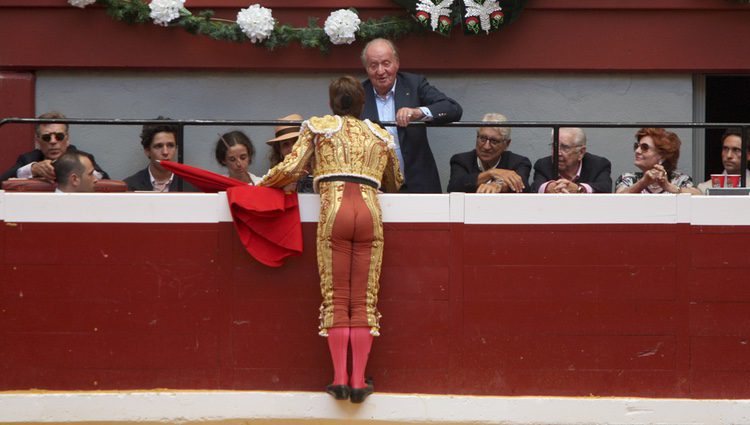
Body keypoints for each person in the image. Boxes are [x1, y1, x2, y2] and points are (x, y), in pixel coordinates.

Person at [260, 76, 403, 404]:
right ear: (363, 103)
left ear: (331, 103)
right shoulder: (380, 135)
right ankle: (358, 381)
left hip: (334, 208)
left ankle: (340, 378)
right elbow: (395, 181)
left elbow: (292, 167)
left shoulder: (317, 126)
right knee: (364, 300)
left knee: (337, 298)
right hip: (368, 210)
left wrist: (260, 185)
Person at [360, 38, 462, 193]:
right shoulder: (359, 94)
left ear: (397, 63)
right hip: (376, 188)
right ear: (366, 68)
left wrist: (419, 112)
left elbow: (453, 109)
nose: (380, 71)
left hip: (418, 185)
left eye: (386, 63)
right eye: (374, 65)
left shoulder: (414, 84)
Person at [1, 111, 109, 182]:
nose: (53, 141)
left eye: (59, 136)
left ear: (67, 139)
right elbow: (2, 182)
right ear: (38, 141)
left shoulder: (83, 158)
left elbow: (105, 180)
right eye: (47, 137)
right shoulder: (28, 159)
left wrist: (77, 167)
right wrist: (32, 169)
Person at [447, 113, 530, 193]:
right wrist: (491, 173)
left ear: (506, 144)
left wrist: (498, 185)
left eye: (494, 141)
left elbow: (522, 185)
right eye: (482, 138)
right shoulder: (461, 160)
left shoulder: (519, 162)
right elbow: (455, 186)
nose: (486, 147)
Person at [615, 128, 700, 194]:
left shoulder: (680, 180)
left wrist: (668, 186)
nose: (637, 151)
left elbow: (698, 196)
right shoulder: (628, 178)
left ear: (662, 156)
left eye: (644, 147)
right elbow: (615, 200)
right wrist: (642, 183)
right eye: (636, 146)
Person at [123, 117, 195, 192]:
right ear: (147, 151)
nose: (165, 152)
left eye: (170, 145)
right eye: (159, 146)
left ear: (176, 149)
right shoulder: (129, 186)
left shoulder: (192, 186)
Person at [531, 127, 612, 193]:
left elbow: (605, 188)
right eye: (554, 146)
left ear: (581, 152)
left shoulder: (598, 164)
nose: (558, 153)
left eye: (565, 148)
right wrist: (548, 187)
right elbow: (535, 187)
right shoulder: (543, 164)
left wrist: (579, 189)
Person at [266, 114, 313, 193]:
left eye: (296, 141)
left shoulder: (321, 169)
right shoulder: (273, 179)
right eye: (285, 144)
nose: (292, 148)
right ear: (279, 151)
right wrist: (283, 192)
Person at [697, 128, 750, 193]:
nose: (729, 155)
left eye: (736, 150)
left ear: (748, 155)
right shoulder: (704, 188)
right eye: (725, 149)